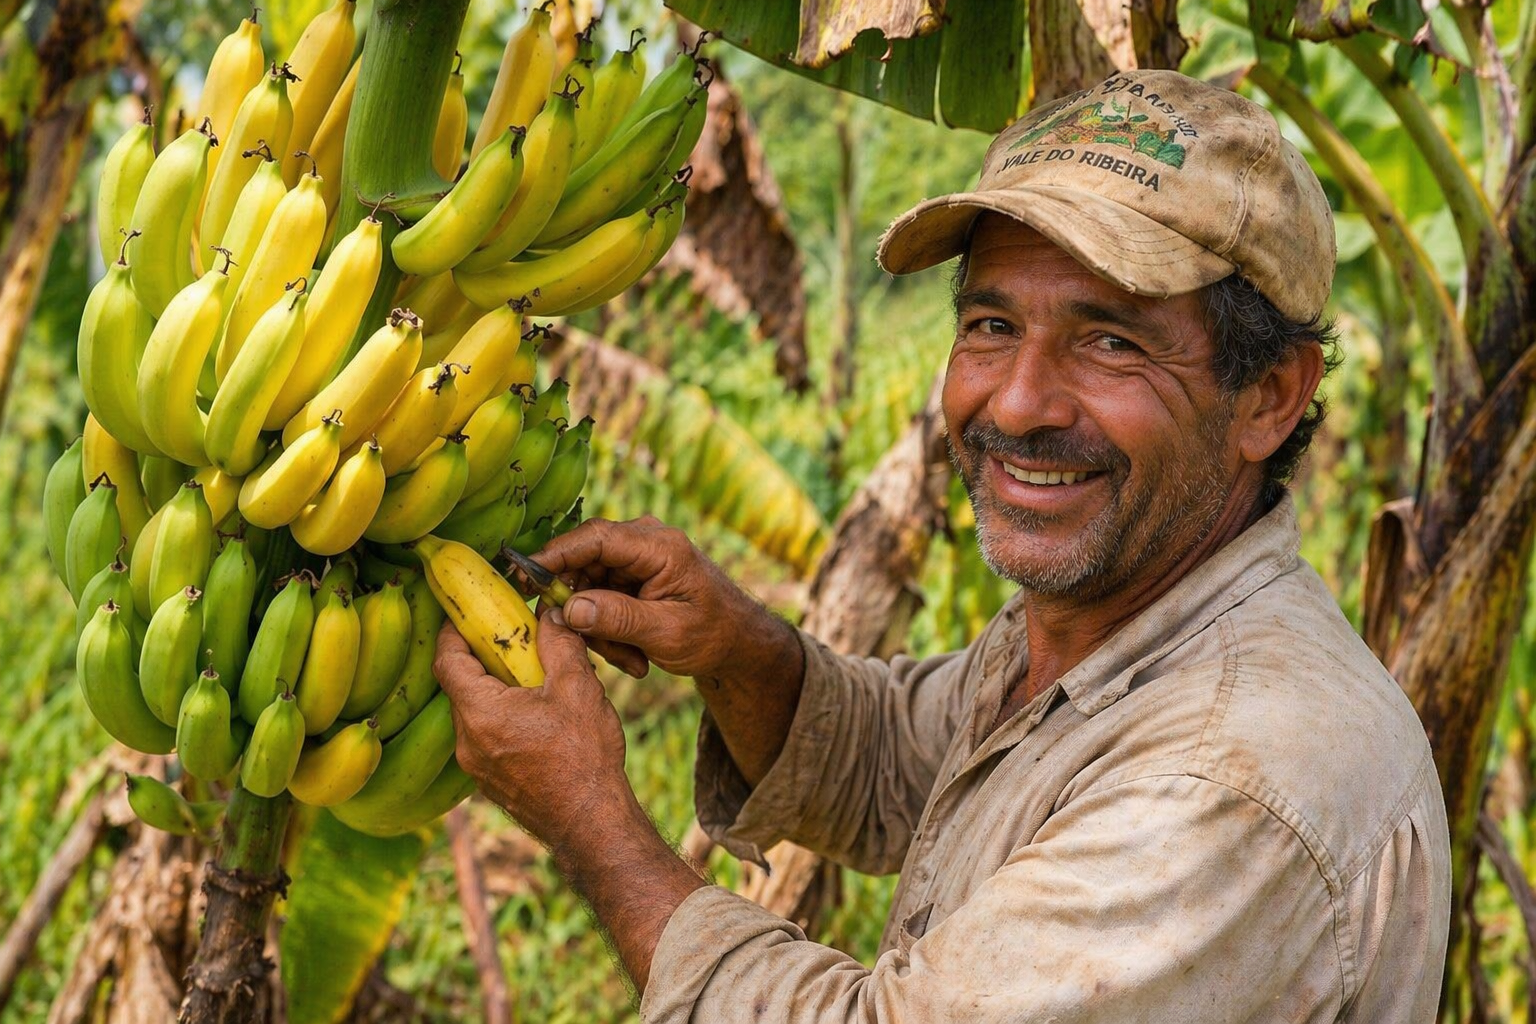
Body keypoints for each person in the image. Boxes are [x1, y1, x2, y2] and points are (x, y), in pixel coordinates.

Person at [433, 68, 1452, 1022]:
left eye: (1111, 341)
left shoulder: (1232, 783)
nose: (1015, 401)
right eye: (992, 324)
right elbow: (905, 760)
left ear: (1270, 398)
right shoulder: (1111, 624)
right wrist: (738, 647)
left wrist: (593, 820)